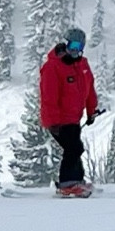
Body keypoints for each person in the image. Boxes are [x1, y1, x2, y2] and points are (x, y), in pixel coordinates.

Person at [38, 26, 99, 195]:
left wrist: (91, 111)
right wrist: (53, 122)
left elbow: (89, 89)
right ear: (65, 44)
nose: (75, 50)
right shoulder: (53, 67)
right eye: (72, 46)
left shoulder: (82, 65)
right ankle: (67, 184)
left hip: (74, 118)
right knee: (74, 148)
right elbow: (48, 96)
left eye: (79, 47)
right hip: (59, 120)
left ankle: (76, 181)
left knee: (75, 148)